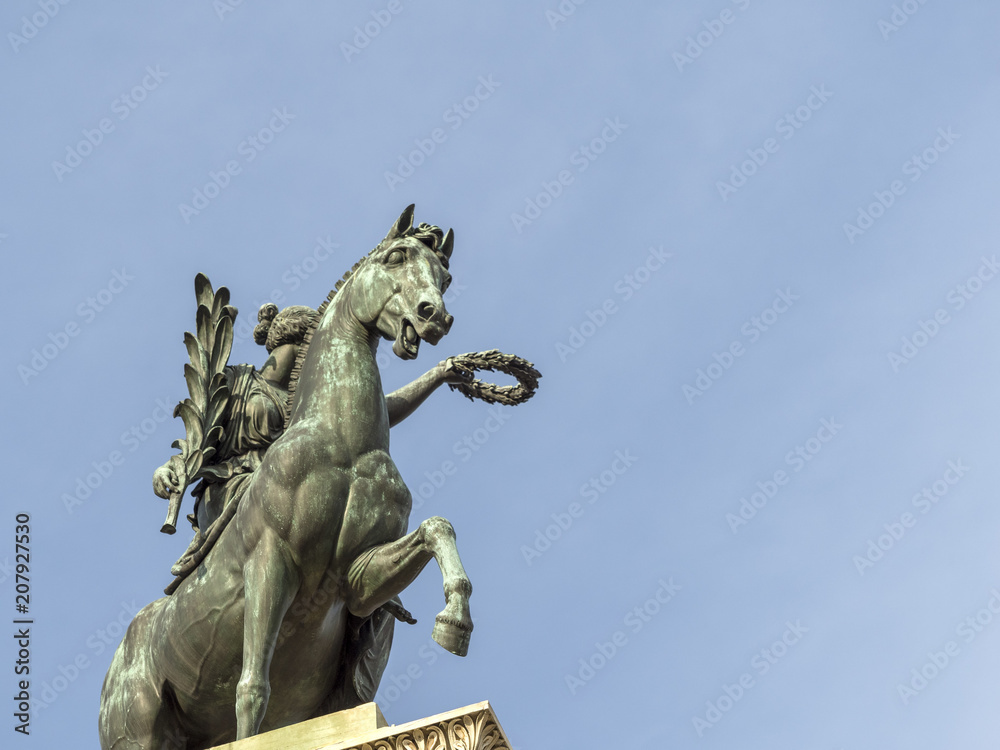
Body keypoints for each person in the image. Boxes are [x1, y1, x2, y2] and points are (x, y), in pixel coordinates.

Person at [153, 301, 469, 577]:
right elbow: (199, 434)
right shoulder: (236, 381)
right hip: (234, 489)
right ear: (302, 344)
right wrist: (170, 467)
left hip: (294, 490)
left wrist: (437, 374)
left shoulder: (310, 400)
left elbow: (377, 411)